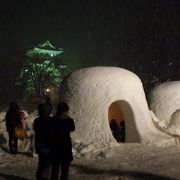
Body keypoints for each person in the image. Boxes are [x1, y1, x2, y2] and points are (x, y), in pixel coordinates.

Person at [48, 102, 75, 180]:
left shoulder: (53, 120)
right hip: (65, 146)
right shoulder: (69, 120)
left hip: (55, 146)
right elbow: (72, 128)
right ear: (66, 109)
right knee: (65, 171)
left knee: (55, 170)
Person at [33, 103, 51, 180]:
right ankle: (44, 178)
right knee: (47, 164)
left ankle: (39, 177)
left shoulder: (37, 120)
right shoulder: (51, 121)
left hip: (39, 145)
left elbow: (36, 130)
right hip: (49, 146)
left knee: (41, 163)